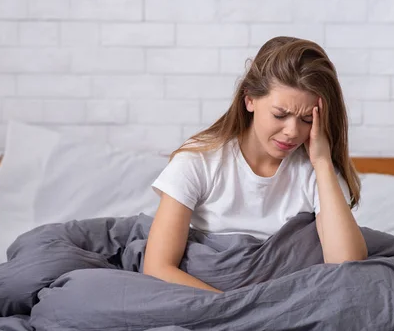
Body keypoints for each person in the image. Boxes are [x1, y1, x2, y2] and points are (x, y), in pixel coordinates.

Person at [143, 36, 367, 293]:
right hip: (216, 301)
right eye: (280, 115)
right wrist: (240, 307)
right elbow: (158, 267)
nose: (292, 131)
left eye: (307, 119)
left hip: (286, 302)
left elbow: (347, 264)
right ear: (249, 100)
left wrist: (323, 162)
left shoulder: (315, 171)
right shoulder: (198, 161)